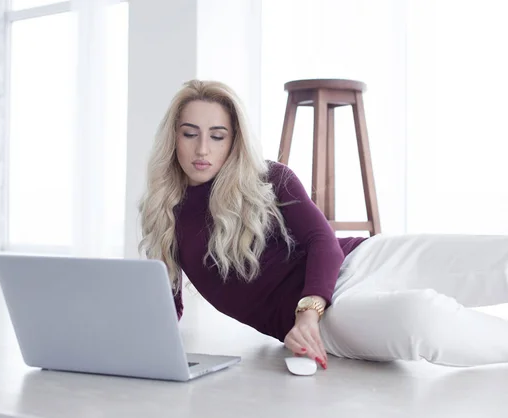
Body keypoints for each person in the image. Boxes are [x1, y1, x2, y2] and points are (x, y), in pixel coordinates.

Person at [138, 79, 508, 369]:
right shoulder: (166, 215)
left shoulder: (268, 177)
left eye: (217, 136)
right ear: (173, 138)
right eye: (190, 134)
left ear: (234, 141)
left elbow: (321, 239)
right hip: (332, 319)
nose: (203, 149)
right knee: (423, 319)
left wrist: (307, 309)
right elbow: (167, 308)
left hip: (360, 261)